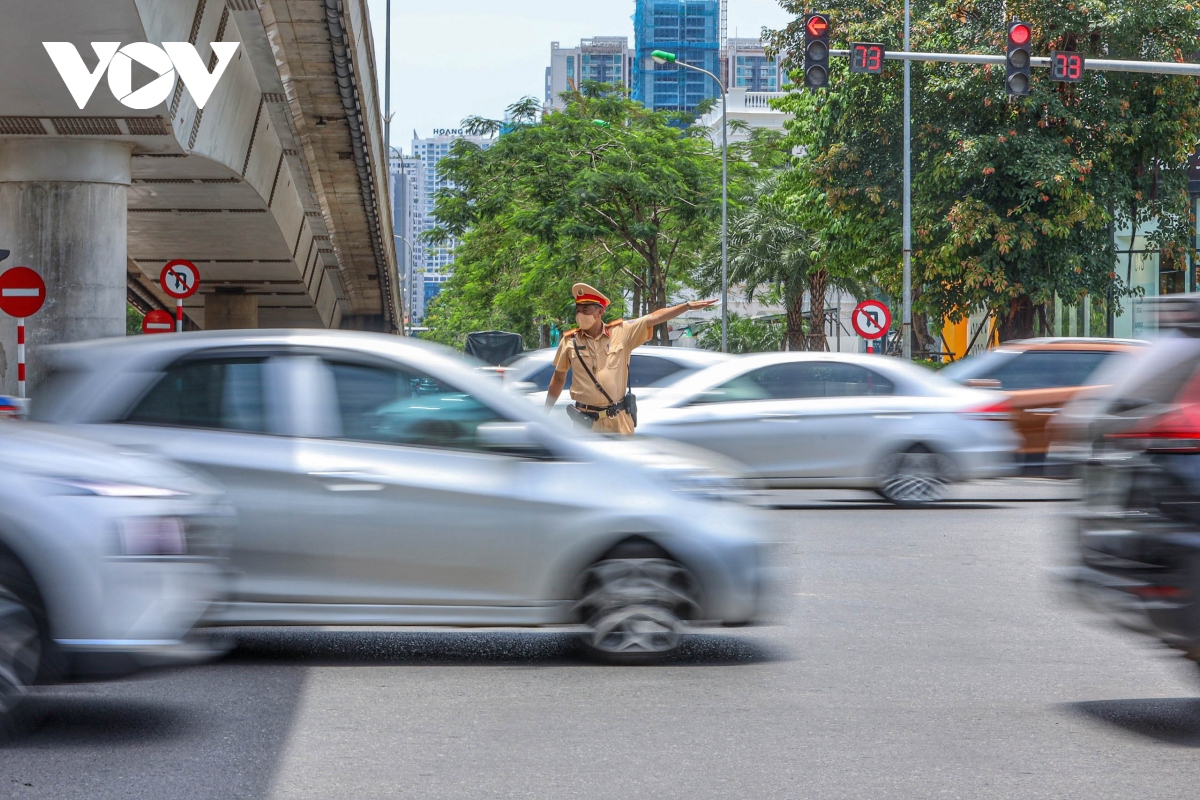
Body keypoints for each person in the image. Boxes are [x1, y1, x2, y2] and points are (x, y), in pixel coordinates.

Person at [544, 283, 718, 435]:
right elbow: (558, 378)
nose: (580, 313)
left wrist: (686, 306)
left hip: (618, 421)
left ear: (600, 311)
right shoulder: (569, 341)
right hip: (585, 423)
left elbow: (654, 317)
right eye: (578, 309)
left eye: (586, 309)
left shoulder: (621, 332)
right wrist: (545, 413)